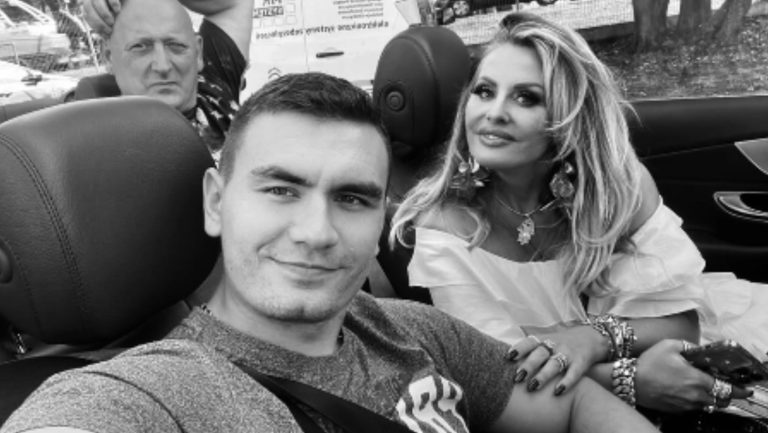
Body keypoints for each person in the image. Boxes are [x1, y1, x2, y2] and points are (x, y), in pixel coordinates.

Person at [0, 72, 659, 433]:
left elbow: (572, 405)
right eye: (281, 189)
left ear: (380, 218)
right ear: (216, 201)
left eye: (351, 198)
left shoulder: (413, 330)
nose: (316, 232)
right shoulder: (152, 394)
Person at [391, 12, 763, 413]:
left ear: (568, 117)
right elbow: (496, 374)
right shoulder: (445, 225)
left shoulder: (618, 188)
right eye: (484, 91)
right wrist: (629, 380)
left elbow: (681, 323)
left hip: (678, 365)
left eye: (526, 97)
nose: (495, 112)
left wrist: (593, 339)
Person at [82, 0, 254, 159]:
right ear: (109, 57)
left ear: (198, 53)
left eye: (176, 46)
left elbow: (236, 3)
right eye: (140, 47)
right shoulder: (100, 151)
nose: (163, 66)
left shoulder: (215, 92)